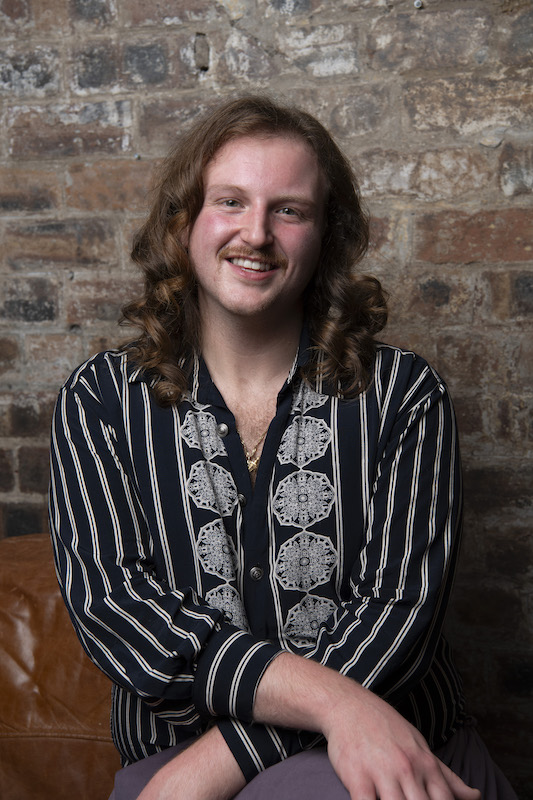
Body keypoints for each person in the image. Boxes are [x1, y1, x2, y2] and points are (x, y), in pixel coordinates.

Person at [49, 95, 517, 800]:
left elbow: (395, 620)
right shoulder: (100, 401)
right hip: (170, 760)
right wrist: (327, 704)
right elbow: (122, 617)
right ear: (184, 222)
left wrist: (219, 763)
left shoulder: (402, 395)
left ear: (326, 234)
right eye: (230, 201)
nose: (256, 233)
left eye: (289, 210)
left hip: (388, 757)